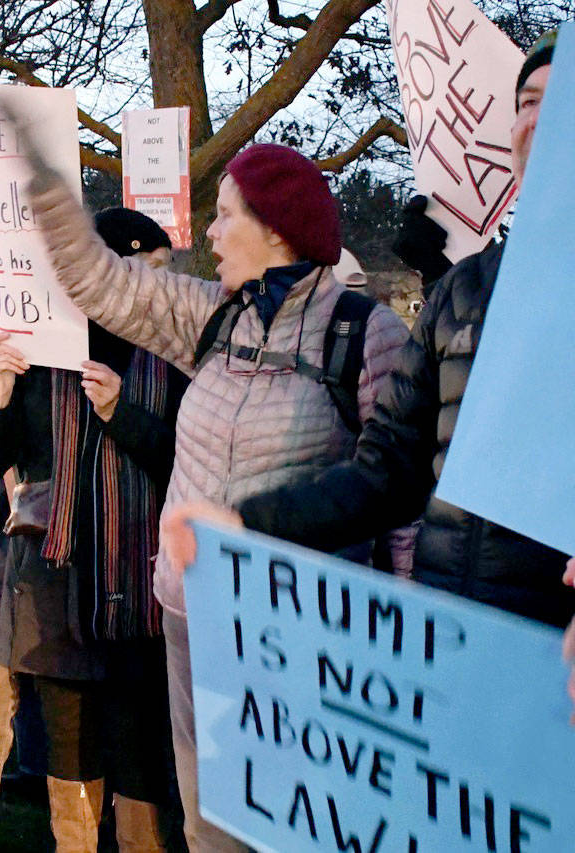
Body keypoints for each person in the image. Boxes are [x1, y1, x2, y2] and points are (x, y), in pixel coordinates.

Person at [8, 121, 412, 848]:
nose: (212, 231)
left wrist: (411, 628)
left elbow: (400, 492)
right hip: (190, 611)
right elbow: (102, 282)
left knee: (295, 819)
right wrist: (43, 186)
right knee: (207, 815)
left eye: (227, 214)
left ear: (278, 229)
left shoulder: (365, 334)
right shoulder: (214, 315)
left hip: (300, 628)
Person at [159, 27, 575, 698]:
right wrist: (249, 522)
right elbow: (386, 474)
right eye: (526, 100)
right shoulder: (464, 294)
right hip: (457, 650)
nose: (537, 119)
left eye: (562, 102)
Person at [0, 209, 188, 853]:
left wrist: (121, 412)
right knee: (68, 737)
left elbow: (183, 459)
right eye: (154, 266)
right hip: (57, 578)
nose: (165, 284)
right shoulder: (42, 348)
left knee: (137, 735)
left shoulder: (171, 356)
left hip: (139, 577)